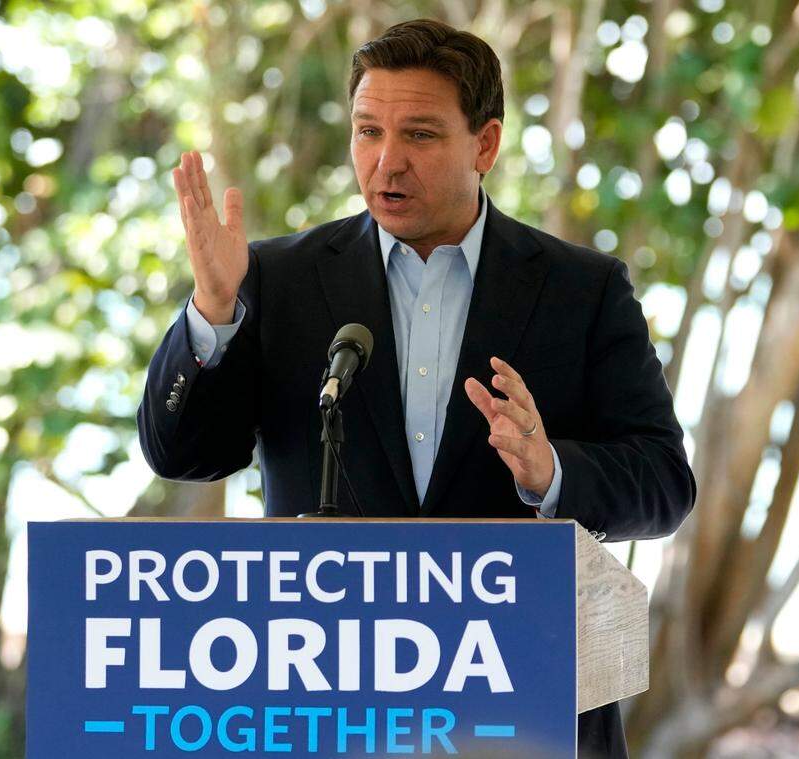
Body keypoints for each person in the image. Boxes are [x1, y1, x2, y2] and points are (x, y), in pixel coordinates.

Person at [138, 18, 695, 758]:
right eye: (368, 132)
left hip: (526, 713)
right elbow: (182, 454)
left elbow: (665, 483)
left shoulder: (582, 290)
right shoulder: (277, 279)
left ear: (485, 145)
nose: (386, 161)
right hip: (334, 710)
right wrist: (212, 312)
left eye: (420, 135)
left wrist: (551, 471)